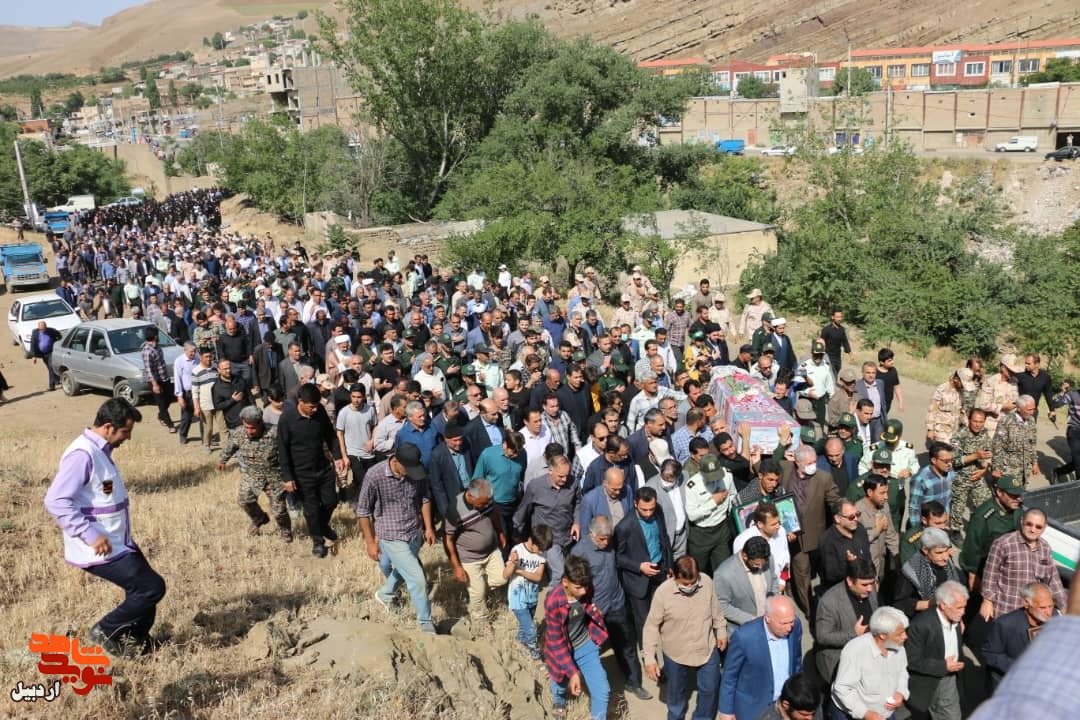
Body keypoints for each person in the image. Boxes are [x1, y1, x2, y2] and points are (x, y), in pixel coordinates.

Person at [44, 398, 166, 656]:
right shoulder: (82, 455)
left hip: (117, 541)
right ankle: (106, 630)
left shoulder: (99, 451)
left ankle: (136, 641)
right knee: (150, 588)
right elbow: (56, 501)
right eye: (126, 432)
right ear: (109, 427)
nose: (128, 438)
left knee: (147, 587)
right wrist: (90, 534)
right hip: (98, 546)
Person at [356, 442, 437, 633]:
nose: (413, 472)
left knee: (404, 569)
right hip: (391, 535)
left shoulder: (416, 471)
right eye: (409, 469)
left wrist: (428, 527)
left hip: (413, 531)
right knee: (418, 579)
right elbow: (362, 510)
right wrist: (370, 542)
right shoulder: (375, 475)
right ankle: (426, 624)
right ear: (396, 462)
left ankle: (385, 594)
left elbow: (424, 498)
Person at [571, 515, 650, 700]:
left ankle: (634, 682)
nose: (606, 542)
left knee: (626, 646)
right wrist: (587, 607)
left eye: (608, 538)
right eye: (602, 539)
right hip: (593, 610)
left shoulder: (612, 543)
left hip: (616, 603)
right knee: (589, 650)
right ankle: (587, 687)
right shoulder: (579, 553)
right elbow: (573, 586)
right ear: (591, 534)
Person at [643, 556, 729, 720]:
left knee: (710, 690)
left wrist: (721, 630)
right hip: (676, 654)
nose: (690, 587)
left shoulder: (707, 582)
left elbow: (715, 609)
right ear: (674, 576)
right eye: (684, 584)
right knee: (676, 696)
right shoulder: (663, 593)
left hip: (706, 648)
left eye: (693, 582)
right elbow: (651, 626)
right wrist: (649, 658)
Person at [278, 383, 346, 558]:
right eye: (311, 406)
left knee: (331, 501)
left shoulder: (320, 412)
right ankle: (318, 541)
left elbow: (330, 436)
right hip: (301, 472)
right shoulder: (287, 419)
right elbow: (282, 449)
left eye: (317, 405)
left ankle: (322, 526)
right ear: (300, 402)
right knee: (311, 508)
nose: (315, 409)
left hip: (322, 467)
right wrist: (287, 477)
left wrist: (337, 456)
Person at [543, 554, 610, 720]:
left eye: (586, 586)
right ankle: (559, 701)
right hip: (561, 650)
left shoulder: (586, 589)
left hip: (585, 645)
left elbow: (589, 609)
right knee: (559, 683)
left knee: (603, 692)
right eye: (579, 587)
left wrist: (597, 615)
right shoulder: (553, 602)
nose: (584, 591)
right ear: (565, 582)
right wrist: (573, 672)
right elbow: (557, 642)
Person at [718, 595, 803, 720]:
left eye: (791, 621)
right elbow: (729, 677)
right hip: (753, 708)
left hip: (784, 706)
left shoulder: (796, 626)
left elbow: (796, 662)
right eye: (784, 623)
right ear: (768, 618)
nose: (789, 627)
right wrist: (726, 711)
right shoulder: (744, 637)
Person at [217, 406, 292, 542]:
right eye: (246, 427)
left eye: (252, 428)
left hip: (274, 477)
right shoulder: (239, 433)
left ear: (260, 423)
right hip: (251, 475)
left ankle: (285, 530)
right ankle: (259, 518)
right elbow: (230, 447)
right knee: (244, 500)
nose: (249, 431)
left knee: (279, 510)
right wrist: (223, 460)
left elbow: (290, 448)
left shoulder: (275, 432)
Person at [979, 508, 1068, 620]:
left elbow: (1053, 581)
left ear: (1044, 528)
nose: (1032, 529)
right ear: (1022, 522)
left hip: (1032, 613)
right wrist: (987, 601)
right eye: (1029, 524)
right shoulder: (1003, 544)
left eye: (1038, 527)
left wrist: (1065, 608)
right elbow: (990, 574)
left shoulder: (1045, 548)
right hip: (1006, 610)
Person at [614, 486, 672, 645]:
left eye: (651, 509)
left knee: (664, 611)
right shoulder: (624, 527)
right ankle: (647, 651)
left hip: (660, 570)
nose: (648, 514)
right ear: (635, 504)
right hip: (638, 580)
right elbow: (618, 558)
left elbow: (664, 539)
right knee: (643, 619)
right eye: (644, 510)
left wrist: (668, 565)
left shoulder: (657, 511)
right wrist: (639, 566)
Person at [444, 478, 509, 620]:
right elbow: (448, 540)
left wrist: (500, 533)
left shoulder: (486, 499)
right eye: (483, 503)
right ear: (471, 496)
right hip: (469, 558)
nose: (486, 505)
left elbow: (494, 513)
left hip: (491, 551)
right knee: (478, 594)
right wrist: (456, 566)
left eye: (487, 502)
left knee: (502, 579)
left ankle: (476, 588)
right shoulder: (454, 509)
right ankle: (481, 619)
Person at [831, 606, 911, 720]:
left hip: (885, 713)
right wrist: (866, 713)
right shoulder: (856, 650)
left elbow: (902, 671)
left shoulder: (898, 647)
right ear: (883, 635)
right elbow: (842, 688)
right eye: (900, 633)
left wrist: (901, 692)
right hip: (853, 715)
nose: (905, 637)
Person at [905, 581, 968, 720]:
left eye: (964, 607)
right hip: (929, 683)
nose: (963, 612)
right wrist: (943, 666)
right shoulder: (920, 625)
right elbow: (911, 660)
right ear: (944, 605)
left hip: (949, 682)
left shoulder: (955, 619)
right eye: (959, 607)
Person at [815, 558, 880, 685]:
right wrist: (854, 634)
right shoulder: (830, 601)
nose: (869, 589)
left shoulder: (870, 592)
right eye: (864, 585)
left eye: (871, 583)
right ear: (850, 581)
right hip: (840, 662)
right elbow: (822, 636)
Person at [982, 581, 1056, 687]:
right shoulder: (1005, 624)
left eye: (1051, 606)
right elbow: (990, 654)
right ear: (1026, 603)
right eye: (1043, 608)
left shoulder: (1055, 618)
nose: (1049, 612)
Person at [504, 523, 552, 660]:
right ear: (532, 540)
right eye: (541, 549)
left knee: (524, 628)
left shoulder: (541, 555)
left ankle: (518, 647)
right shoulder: (517, 551)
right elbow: (505, 575)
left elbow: (538, 577)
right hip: (517, 599)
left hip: (532, 598)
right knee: (531, 630)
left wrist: (519, 570)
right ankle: (534, 658)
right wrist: (513, 564)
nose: (542, 552)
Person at [684, 453, 737, 575]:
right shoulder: (692, 486)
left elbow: (733, 494)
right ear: (701, 471)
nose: (714, 479)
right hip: (701, 534)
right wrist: (713, 502)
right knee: (699, 571)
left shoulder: (727, 475)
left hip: (721, 529)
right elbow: (691, 515)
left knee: (724, 570)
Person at [894, 528, 965, 618]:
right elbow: (900, 604)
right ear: (925, 550)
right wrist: (929, 603)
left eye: (946, 551)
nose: (945, 557)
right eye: (939, 553)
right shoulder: (911, 572)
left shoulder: (947, 563)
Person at [714, 536, 777, 633]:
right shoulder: (724, 574)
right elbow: (722, 606)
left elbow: (773, 581)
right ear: (745, 556)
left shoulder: (768, 558)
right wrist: (750, 619)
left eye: (763, 565)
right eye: (756, 564)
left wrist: (775, 604)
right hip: (745, 629)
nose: (760, 568)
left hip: (770, 623)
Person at [818, 500, 872, 593]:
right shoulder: (827, 541)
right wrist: (850, 565)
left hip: (865, 588)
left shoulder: (860, 529)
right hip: (842, 592)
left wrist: (873, 580)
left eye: (857, 514)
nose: (856, 519)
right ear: (838, 519)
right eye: (851, 517)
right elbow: (831, 575)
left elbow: (868, 558)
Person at [335, 384, 377, 502]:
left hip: (368, 453)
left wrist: (372, 440)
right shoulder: (344, 412)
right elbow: (340, 434)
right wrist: (344, 456)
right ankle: (359, 505)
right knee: (364, 481)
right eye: (353, 396)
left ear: (363, 397)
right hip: (353, 453)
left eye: (359, 397)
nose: (356, 400)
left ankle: (360, 503)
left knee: (367, 482)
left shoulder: (370, 410)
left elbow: (375, 426)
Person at [990, 394, 1039, 487]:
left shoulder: (1031, 421)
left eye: (1034, 409)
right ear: (1019, 408)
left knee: (1019, 497)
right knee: (1006, 497)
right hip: (1008, 469)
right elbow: (997, 445)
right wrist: (996, 468)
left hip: (1024, 470)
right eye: (1029, 410)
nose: (1032, 412)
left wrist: (1034, 463)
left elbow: (1032, 444)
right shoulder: (1006, 421)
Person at [856, 476, 899, 581]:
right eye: (882, 493)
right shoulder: (857, 511)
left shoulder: (884, 506)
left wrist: (897, 557)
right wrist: (877, 530)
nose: (886, 497)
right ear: (870, 492)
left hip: (881, 565)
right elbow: (857, 542)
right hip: (865, 570)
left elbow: (890, 534)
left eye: (886, 492)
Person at [907, 442, 955, 532]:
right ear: (934, 460)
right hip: (927, 527)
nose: (950, 464)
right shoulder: (920, 480)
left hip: (943, 523)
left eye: (951, 460)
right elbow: (914, 508)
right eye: (946, 461)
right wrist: (917, 531)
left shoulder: (951, 473)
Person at [141, 326, 175, 431]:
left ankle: (161, 415)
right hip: (155, 381)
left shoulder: (158, 347)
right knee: (161, 402)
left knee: (170, 398)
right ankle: (170, 425)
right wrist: (155, 384)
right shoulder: (147, 351)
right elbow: (149, 370)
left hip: (164, 377)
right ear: (155, 336)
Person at [756, 673, 823, 720]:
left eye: (813, 714)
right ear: (786, 705)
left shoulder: (812, 705)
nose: (810, 718)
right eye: (804, 714)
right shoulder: (768, 718)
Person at [173, 341, 199, 444]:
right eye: (191, 352)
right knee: (186, 416)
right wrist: (179, 396)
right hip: (187, 392)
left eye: (195, 351)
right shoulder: (179, 361)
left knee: (201, 414)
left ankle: (206, 437)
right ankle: (183, 435)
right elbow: (177, 379)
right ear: (185, 351)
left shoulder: (198, 358)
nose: (193, 353)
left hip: (198, 390)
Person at [30, 320, 62, 392]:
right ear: (39, 328)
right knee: (49, 367)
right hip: (42, 354)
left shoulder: (51, 330)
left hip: (51, 352)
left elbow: (59, 335)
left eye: (44, 328)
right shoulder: (35, 332)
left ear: (46, 327)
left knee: (51, 367)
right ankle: (56, 380)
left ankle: (51, 386)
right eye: (41, 329)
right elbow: (33, 344)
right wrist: (34, 356)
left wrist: (58, 343)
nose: (43, 330)